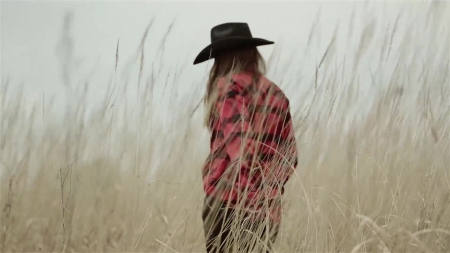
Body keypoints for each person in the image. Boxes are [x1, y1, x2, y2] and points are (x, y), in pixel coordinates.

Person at [193, 22, 299, 253]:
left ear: (221, 60)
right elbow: (290, 157)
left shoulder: (227, 88)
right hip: (267, 212)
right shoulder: (276, 94)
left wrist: (246, 200)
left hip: (228, 204)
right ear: (252, 52)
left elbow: (240, 149)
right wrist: (266, 195)